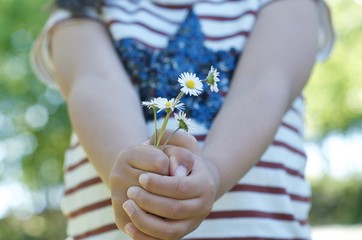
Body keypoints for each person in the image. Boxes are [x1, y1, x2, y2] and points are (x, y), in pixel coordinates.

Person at [31, 0, 334, 239]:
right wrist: (139, 181)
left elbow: (267, 82)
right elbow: (94, 82)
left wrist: (213, 172)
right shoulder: (81, 9)